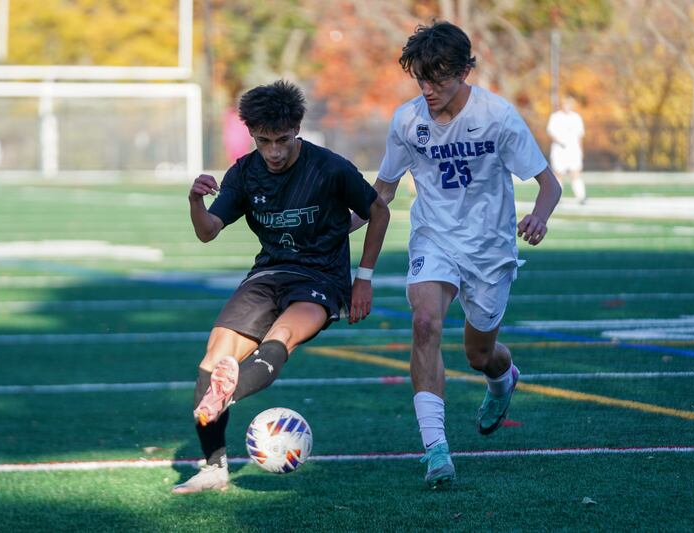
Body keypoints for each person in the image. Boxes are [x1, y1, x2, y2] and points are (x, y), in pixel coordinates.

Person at [352, 21, 561, 488]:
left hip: (490, 249)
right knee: (425, 323)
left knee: (479, 353)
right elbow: (382, 191)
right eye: (421, 79)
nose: (428, 89)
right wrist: (336, 226)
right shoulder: (407, 121)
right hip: (435, 239)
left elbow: (549, 184)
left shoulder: (499, 116)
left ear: (466, 70)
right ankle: (436, 450)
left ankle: (502, 381)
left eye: (439, 79)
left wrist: (539, 217)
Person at [174, 80, 390, 494]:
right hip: (269, 274)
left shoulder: (329, 167)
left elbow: (378, 213)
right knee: (215, 354)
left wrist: (363, 279)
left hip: (322, 278)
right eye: (263, 141)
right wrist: (195, 203)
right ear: (252, 135)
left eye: (282, 140)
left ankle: (225, 395)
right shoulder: (245, 172)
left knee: (281, 336)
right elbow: (208, 233)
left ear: (297, 130)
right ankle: (214, 467)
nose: (273, 151)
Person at [547, 95, 587, 204]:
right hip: (559, 150)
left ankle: (581, 197)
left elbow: (580, 136)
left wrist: (580, 150)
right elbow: (551, 133)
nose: (568, 106)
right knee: (559, 174)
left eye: (570, 104)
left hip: (573, 150)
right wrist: (560, 142)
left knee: (575, 173)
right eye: (566, 104)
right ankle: (557, 197)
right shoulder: (556, 117)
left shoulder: (576, 118)